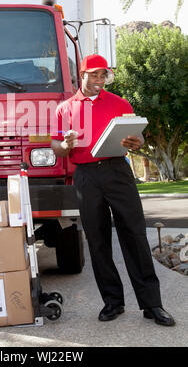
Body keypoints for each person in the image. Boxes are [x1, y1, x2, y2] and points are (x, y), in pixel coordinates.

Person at [51, 54, 175, 327]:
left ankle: (152, 304)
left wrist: (136, 142)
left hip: (118, 172)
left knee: (135, 236)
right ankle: (113, 302)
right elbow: (55, 146)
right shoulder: (64, 109)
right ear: (81, 76)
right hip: (85, 176)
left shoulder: (120, 103)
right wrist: (66, 145)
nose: (99, 79)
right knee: (98, 241)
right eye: (94, 74)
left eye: (103, 75)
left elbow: (137, 138)